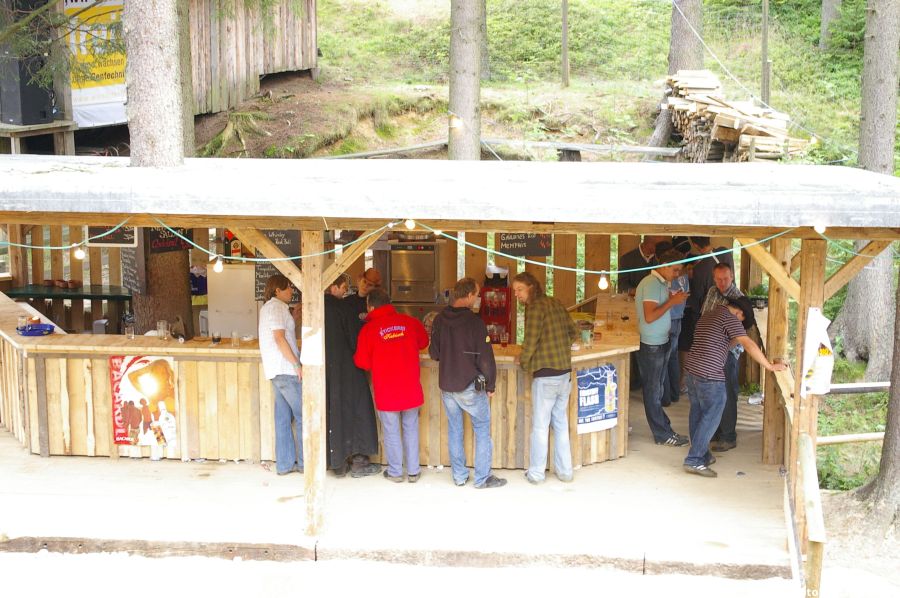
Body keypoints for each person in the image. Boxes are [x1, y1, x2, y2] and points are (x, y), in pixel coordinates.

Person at [682, 296, 786, 477]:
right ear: (739, 313)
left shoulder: (709, 314)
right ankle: (694, 459)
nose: (740, 325)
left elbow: (722, 343)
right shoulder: (730, 318)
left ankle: (702, 454)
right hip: (710, 374)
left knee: (697, 413)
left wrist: (736, 339)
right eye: (742, 321)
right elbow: (749, 344)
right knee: (711, 415)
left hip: (692, 371)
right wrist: (769, 366)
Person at [429, 277, 506, 489]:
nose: (477, 299)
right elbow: (485, 358)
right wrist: (490, 384)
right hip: (469, 386)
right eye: (477, 295)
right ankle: (482, 478)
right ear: (469, 295)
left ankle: (459, 476)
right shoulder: (475, 322)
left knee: (455, 430)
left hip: (447, 385)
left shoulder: (439, 320)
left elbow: (434, 353)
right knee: (481, 429)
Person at [354, 288, 429, 483]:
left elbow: (362, 362)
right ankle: (413, 472)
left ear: (371, 307)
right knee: (411, 428)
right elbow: (423, 342)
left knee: (391, 431)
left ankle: (395, 472)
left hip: (386, 389)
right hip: (410, 387)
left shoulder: (368, 330)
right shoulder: (410, 322)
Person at [512, 271, 577, 484]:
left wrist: (523, 362)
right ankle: (565, 472)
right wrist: (558, 348)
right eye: (515, 291)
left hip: (546, 375)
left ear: (531, 287)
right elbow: (573, 332)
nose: (517, 294)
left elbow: (530, 342)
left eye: (520, 289)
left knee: (540, 426)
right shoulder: (555, 303)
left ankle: (536, 474)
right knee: (560, 424)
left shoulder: (535, 308)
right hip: (564, 373)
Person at [324, 274, 380, 478]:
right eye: (343, 287)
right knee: (359, 410)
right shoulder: (343, 308)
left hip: (324, 369)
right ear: (333, 287)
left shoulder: (315, 308)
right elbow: (355, 340)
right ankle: (359, 462)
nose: (345, 291)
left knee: (332, 412)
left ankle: (337, 464)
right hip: (348, 367)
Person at [634, 249, 689, 446]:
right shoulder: (650, 283)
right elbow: (650, 316)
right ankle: (662, 434)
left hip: (659, 341)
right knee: (653, 391)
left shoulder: (660, 283)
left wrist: (671, 297)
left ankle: (664, 428)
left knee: (656, 389)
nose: (677, 274)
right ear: (664, 266)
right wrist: (672, 301)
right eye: (675, 270)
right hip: (652, 344)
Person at [258, 274, 303, 475]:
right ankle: (305, 463)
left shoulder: (271, 308)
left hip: (276, 370)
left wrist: (295, 317)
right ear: (277, 290)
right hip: (285, 369)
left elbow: (281, 333)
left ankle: (284, 464)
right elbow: (279, 338)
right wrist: (296, 364)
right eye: (288, 287)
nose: (292, 290)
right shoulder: (276, 307)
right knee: (303, 415)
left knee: (283, 417)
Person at [700, 262, 748, 453]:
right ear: (714, 279)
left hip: (727, 352)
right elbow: (704, 316)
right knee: (713, 392)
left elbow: (740, 333)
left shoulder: (739, 298)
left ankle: (728, 436)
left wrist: (723, 349)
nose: (722, 283)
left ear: (732, 277)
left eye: (725, 279)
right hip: (711, 350)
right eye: (718, 279)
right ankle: (715, 431)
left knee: (727, 393)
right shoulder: (712, 291)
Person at [660, 238, 690, 406]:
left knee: (664, 358)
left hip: (667, 319)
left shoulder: (667, 278)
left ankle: (665, 397)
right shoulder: (684, 276)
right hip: (678, 319)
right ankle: (675, 393)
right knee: (672, 357)